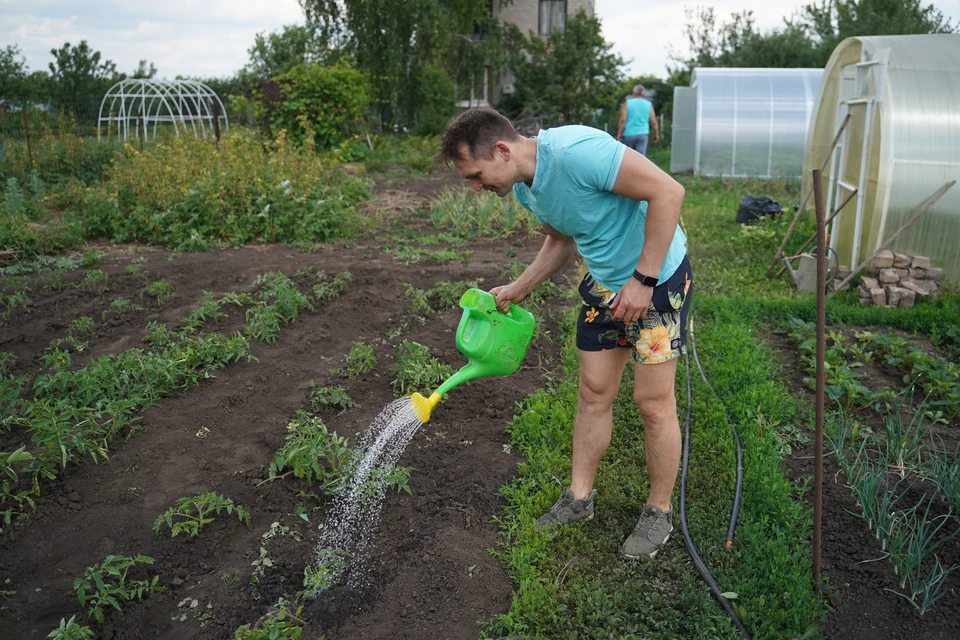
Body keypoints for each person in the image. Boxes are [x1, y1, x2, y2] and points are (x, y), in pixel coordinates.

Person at [438, 108, 691, 559]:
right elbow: (561, 238)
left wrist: (643, 280)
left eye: (475, 175)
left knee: (652, 405)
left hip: (657, 282)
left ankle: (658, 512)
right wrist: (520, 287)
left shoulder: (577, 152)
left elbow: (668, 192)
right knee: (593, 393)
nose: (476, 187)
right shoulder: (525, 187)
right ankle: (579, 498)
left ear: (501, 150)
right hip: (607, 286)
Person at [616, 84, 659, 157]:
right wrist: (656, 133)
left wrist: (619, 133)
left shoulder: (628, 103)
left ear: (633, 93)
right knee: (640, 158)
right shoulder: (649, 104)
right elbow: (654, 122)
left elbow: (623, 120)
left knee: (628, 158)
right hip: (642, 135)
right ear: (644, 94)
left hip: (629, 134)